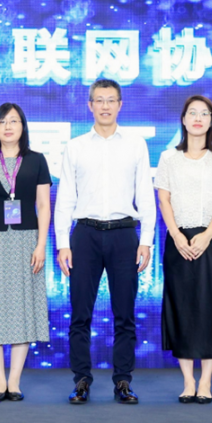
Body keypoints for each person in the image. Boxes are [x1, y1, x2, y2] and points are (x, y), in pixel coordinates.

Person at [55, 78, 156, 405]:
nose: (105, 106)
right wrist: (62, 242)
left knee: (124, 314)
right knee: (79, 314)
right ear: (90, 105)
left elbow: (145, 194)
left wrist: (147, 240)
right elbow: (65, 197)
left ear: (120, 105)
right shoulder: (76, 146)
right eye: (99, 100)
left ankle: (123, 380)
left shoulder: (135, 144)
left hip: (124, 234)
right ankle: (81, 380)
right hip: (84, 234)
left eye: (111, 100)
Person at [0, 103, 53, 402]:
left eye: (14, 121)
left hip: (26, 241)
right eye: (2, 122)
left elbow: (43, 205)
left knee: (22, 310)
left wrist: (41, 244)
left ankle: (14, 382)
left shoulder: (37, 160)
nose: (8, 127)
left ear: (23, 126)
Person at [155, 95, 212, 404]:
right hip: (178, 240)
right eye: (192, 113)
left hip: (210, 239)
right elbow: (164, 199)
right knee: (182, 307)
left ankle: (206, 381)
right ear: (184, 120)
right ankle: (188, 380)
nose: (198, 118)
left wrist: (208, 234)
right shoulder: (169, 158)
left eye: (204, 113)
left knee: (210, 307)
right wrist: (176, 234)